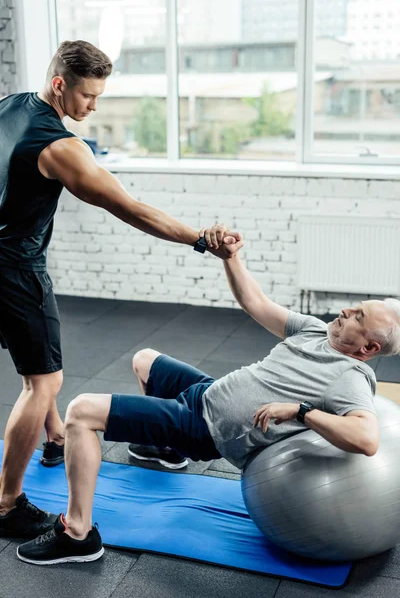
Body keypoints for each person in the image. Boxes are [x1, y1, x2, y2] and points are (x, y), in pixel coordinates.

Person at [16, 227, 400, 565]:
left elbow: (366, 440)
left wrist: (301, 412)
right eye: (356, 307)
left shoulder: (350, 376)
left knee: (81, 411)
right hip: (206, 392)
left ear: (367, 348)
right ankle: (163, 450)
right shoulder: (315, 331)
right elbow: (256, 302)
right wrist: (231, 258)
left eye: (358, 316)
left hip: (204, 428)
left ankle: (78, 534)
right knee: (144, 359)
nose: (347, 310)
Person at [0, 40, 242, 539]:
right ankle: (5, 504)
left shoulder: (11, 105)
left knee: (37, 363)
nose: (94, 107)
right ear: (60, 84)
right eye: (88, 96)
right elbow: (132, 210)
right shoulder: (61, 148)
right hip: (17, 270)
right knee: (42, 383)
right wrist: (200, 238)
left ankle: (53, 439)